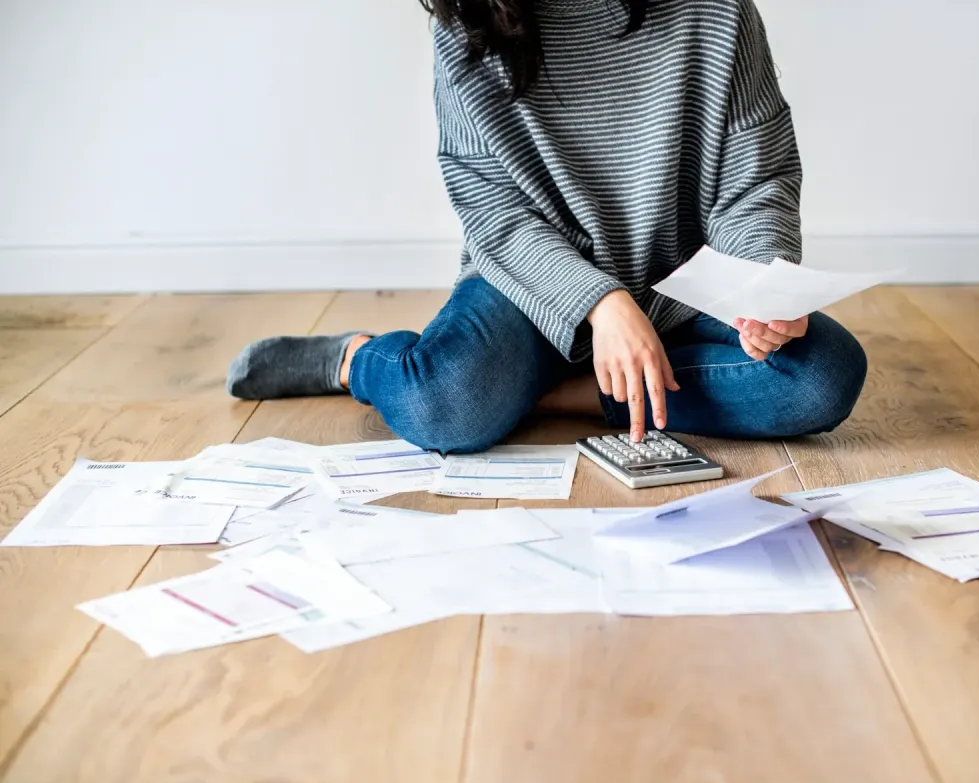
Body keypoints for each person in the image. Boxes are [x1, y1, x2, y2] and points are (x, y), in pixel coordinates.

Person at [227, 0, 867, 452]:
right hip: (531, 283)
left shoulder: (717, 9)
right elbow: (493, 210)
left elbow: (759, 173)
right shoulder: (468, 21)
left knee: (822, 376)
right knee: (443, 405)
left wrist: (761, 290)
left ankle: (552, 393)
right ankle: (356, 359)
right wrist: (602, 304)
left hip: (682, 287)